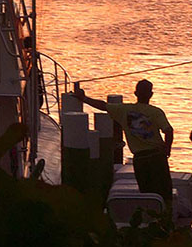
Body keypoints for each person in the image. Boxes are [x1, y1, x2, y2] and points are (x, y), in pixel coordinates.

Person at [74, 79, 174, 207]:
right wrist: (167, 148)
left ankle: (150, 219)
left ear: (135, 93)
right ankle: (166, 218)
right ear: (151, 94)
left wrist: (83, 98)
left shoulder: (123, 110)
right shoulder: (156, 112)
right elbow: (168, 131)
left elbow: (103, 105)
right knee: (165, 191)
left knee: (146, 191)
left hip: (140, 158)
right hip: (157, 157)